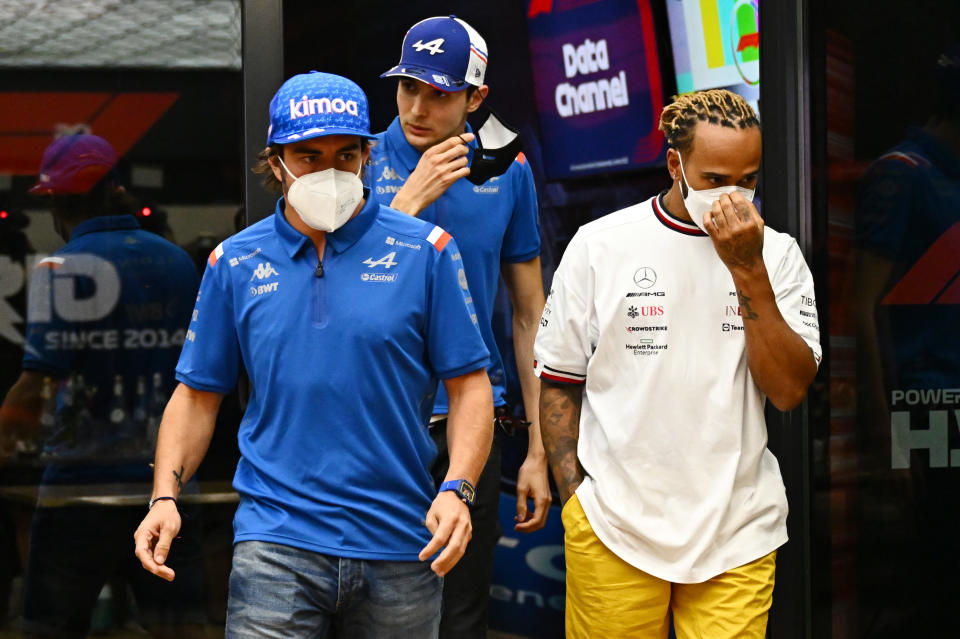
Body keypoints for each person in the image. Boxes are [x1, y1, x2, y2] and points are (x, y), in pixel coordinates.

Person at [133, 71, 494, 638]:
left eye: (346, 155)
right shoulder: (234, 262)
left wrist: (459, 488)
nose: (329, 172)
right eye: (308, 156)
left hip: (402, 540)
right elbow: (198, 395)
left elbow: (471, 385)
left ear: (366, 155)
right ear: (275, 162)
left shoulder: (426, 251)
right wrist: (164, 497)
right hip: (275, 544)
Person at [534, 89, 821, 638]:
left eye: (749, 180)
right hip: (614, 530)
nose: (734, 195)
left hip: (738, 533)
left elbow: (788, 391)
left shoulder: (778, 255)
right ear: (676, 165)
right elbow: (559, 380)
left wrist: (747, 270)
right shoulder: (601, 246)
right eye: (715, 179)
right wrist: (578, 502)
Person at [369, 16, 549, 637]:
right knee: (374, 608)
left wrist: (538, 447)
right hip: (379, 420)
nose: (418, 109)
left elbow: (531, 316)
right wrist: (407, 203)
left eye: (440, 94)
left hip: (471, 421)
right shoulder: (358, 163)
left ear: (475, 98)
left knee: (462, 612)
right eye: (407, 87)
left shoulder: (507, 171)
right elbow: (337, 300)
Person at [0, 133, 204, 638]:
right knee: (176, 627)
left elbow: (35, 385)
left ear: (53, 201)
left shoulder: (62, 268)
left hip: (79, 488)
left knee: (50, 628)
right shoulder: (178, 263)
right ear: (115, 187)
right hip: (167, 486)